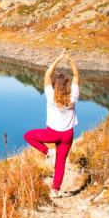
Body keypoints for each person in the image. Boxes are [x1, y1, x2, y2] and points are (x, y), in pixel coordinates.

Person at [24, 48, 80, 197]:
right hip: (67, 135)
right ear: (68, 86)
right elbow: (76, 76)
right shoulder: (72, 97)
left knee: (28, 136)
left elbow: (47, 74)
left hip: (52, 134)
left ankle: (48, 152)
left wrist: (58, 59)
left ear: (55, 85)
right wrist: (69, 60)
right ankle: (55, 190)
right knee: (61, 162)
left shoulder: (50, 95)